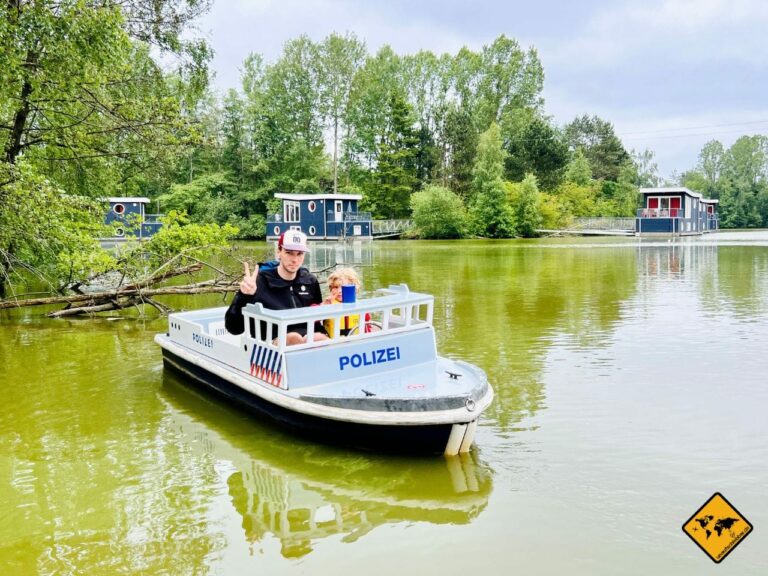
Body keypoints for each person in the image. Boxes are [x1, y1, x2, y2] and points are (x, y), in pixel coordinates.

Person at [225, 231, 328, 345]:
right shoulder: (258, 282)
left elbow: (318, 320)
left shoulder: (310, 281)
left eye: (299, 254)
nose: (295, 259)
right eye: (289, 253)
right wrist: (243, 296)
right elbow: (233, 328)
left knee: (320, 338)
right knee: (293, 338)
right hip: (271, 343)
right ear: (279, 252)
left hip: (309, 338)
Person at [321, 267, 375, 337]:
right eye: (336, 287)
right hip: (334, 343)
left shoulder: (360, 306)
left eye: (344, 287)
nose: (340, 291)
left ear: (354, 289)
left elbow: (367, 326)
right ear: (331, 288)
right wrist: (323, 306)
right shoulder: (328, 304)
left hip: (355, 341)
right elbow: (313, 316)